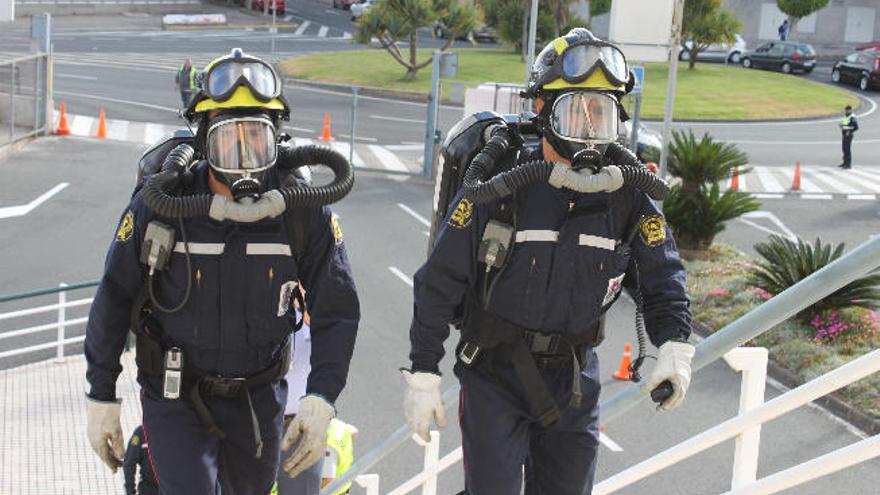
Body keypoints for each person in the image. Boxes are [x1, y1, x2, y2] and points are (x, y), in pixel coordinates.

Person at [401, 28, 695, 495]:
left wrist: (675, 346)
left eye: (600, 113)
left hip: (575, 377)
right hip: (493, 372)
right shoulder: (498, 184)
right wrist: (423, 371)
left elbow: (663, 275)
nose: (590, 131)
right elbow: (439, 280)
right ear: (542, 112)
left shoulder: (629, 193)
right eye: (574, 112)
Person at [84, 48, 360, 494]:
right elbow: (114, 296)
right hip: (174, 392)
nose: (244, 156)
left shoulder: (302, 213)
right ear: (203, 142)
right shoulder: (162, 207)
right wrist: (101, 395)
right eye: (228, 141)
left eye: (257, 139)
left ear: (279, 140)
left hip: (259, 395)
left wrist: (321, 396)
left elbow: (339, 309)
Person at [123, 425, 159, 495]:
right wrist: (130, 490)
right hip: (148, 488)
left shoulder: (175, 430)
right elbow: (129, 462)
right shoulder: (140, 433)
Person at [839, 104, 858, 169]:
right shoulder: (847, 116)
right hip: (844, 134)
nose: (846, 111)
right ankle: (844, 162)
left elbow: (856, 127)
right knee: (844, 148)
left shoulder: (852, 117)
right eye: (845, 110)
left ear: (850, 110)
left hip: (849, 135)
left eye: (847, 110)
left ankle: (848, 164)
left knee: (847, 149)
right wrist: (841, 125)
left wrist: (849, 131)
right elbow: (845, 124)